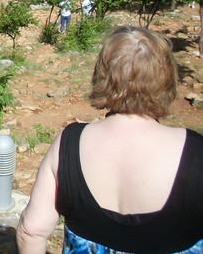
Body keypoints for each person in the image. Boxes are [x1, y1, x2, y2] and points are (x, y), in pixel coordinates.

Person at [17, 26, 203, 254]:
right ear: (167, 79)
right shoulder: (196, 152)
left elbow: (32, 231)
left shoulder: (69, 143)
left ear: (102, 74)